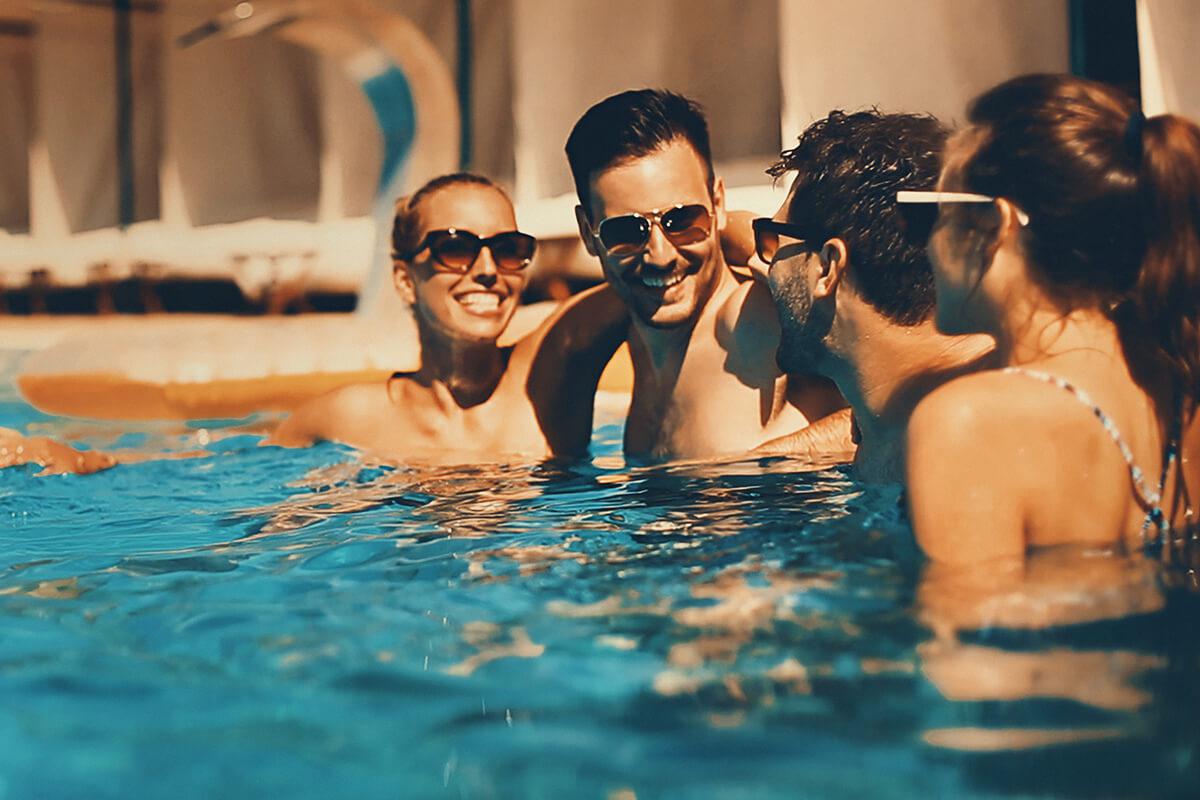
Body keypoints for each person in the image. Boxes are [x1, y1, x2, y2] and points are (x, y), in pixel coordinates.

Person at [902, 73, 1200, 567]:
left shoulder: (968, 421)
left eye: (932, 215)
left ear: (994, 226)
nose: (926, 244)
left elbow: (971, 640)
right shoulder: (1181, 384)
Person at [565, 89, 845, 461]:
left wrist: (763, 464)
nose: (660, 256)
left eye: (681, 220)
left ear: (717, 204)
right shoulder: (632, 334)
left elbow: (901, 399)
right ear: (588, 233)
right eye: (626, 231)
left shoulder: (757, 317)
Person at [270, 172, 628, 462]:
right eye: (456, 248)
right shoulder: (350, 417)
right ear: (405, 280)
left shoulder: (553, 369)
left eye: (508, 249)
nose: (487, 269)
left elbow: (649, 286)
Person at [756, 110, 995, 482]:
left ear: (827, 267)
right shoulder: (893, 423)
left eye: (773, 241)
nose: (766, 266)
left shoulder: (956, 446)